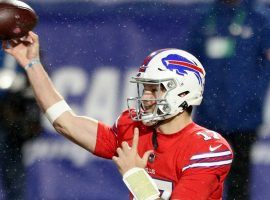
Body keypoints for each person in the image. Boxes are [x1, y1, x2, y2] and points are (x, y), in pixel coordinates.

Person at [2, 33, 233, 199]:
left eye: (155, 89)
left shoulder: (209, 150)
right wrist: (31, 63)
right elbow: (66, 123)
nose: (146, 97)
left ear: (184, 91)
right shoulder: (135, 128)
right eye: (145, 89)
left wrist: (136, 177)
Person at [186, 0, 270, 199]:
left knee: (239, 181)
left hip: (245, 117)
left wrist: (253, 94)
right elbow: (189, 62)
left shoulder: (259, 17)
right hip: (209, 117)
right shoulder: (206, 16)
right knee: (205, 179)